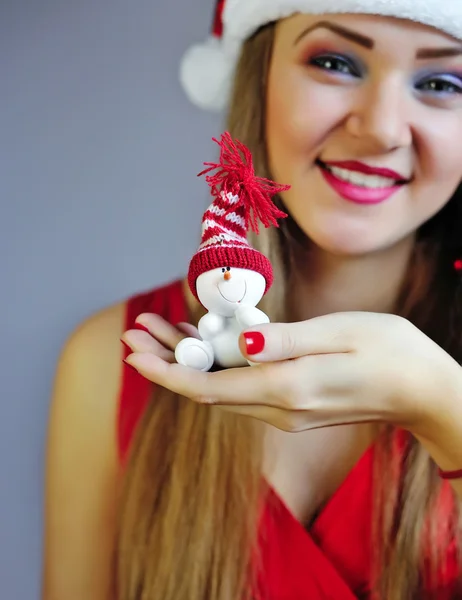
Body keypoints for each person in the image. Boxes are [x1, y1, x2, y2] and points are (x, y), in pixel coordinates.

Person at [41, 0, 462, 598]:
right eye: (336, 62)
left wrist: (446, 409)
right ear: (256, 75)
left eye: (442, 82)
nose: (382, 129)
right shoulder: (109, 363)